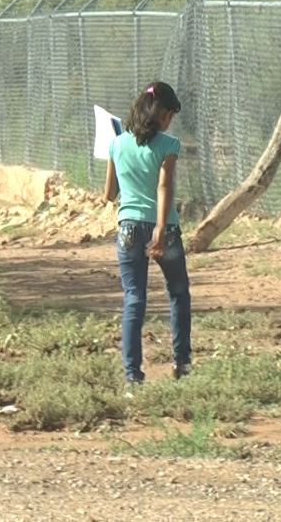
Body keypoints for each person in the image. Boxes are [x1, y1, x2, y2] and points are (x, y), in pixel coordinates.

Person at [104, 81, 191, 384]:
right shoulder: (168, 145)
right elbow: (163, 187)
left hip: (127, 229)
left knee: (134, 299)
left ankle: (132, 377)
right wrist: (158, 227)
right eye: (170, 114)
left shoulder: (116, 144)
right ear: (162, 113)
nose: (170, 121)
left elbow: (109, 194)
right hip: (162, 229)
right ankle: (181, 364)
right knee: (178, 292)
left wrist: (116, 158)